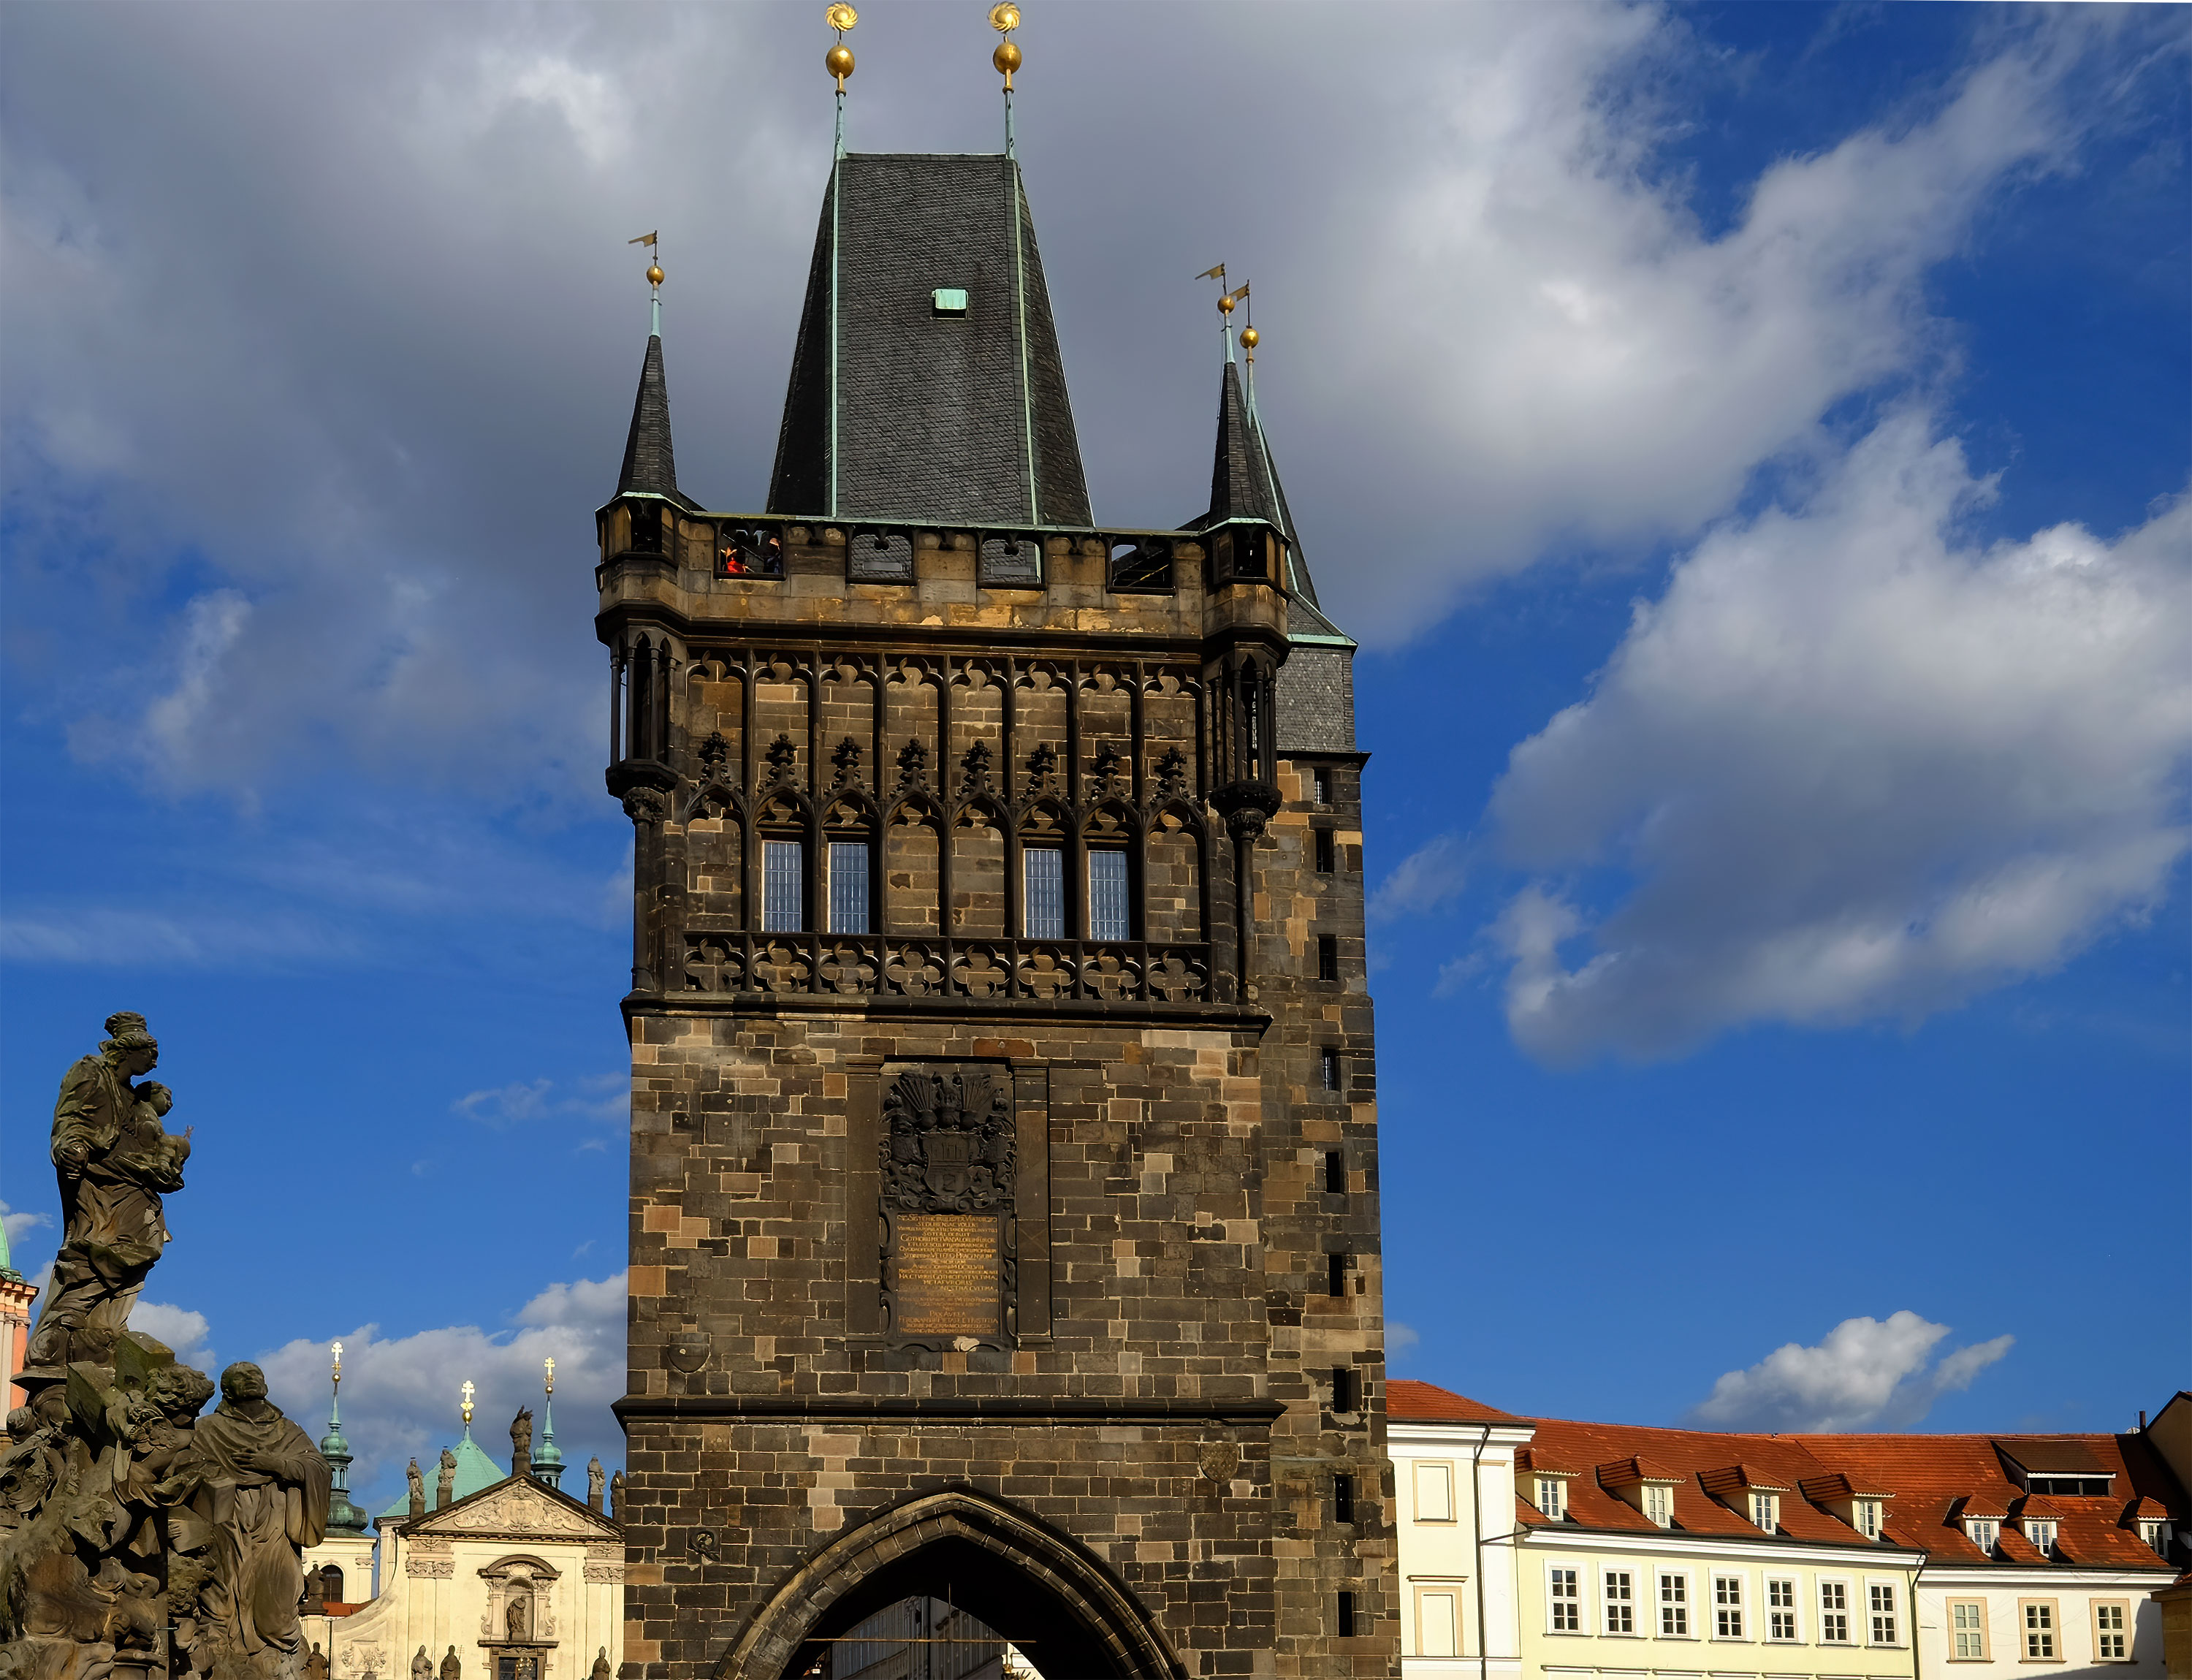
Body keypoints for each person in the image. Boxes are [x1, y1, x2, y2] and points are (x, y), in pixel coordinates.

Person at [162, 1362, 332, 1665]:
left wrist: (277, 1465)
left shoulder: (287, 1430)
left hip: (274, 1525)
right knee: (221, 1606)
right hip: (225, 1523)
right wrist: (211, 1475)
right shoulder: (209, 1429)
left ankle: (278, 1660)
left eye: (256, 1375)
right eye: (242, 1377)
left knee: (277, 1613)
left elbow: (318, 1467)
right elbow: (180, 1467)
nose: (251, 1379)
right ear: (228, 1390)